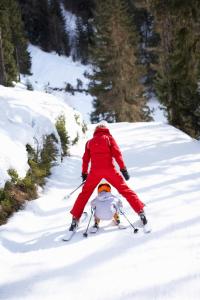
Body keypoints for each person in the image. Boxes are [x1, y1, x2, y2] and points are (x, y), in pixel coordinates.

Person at [68, 122, 148, 232]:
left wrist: (84, 173)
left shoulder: (89, 142)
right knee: (125, 190)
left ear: (95, 132)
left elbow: (85, 159)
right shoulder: (109, 138)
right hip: (109, 170)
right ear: (106, 130)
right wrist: (123, 168)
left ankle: (75, 219)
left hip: (95, 172)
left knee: (84, 194)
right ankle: (141, 212)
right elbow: (117, 153)